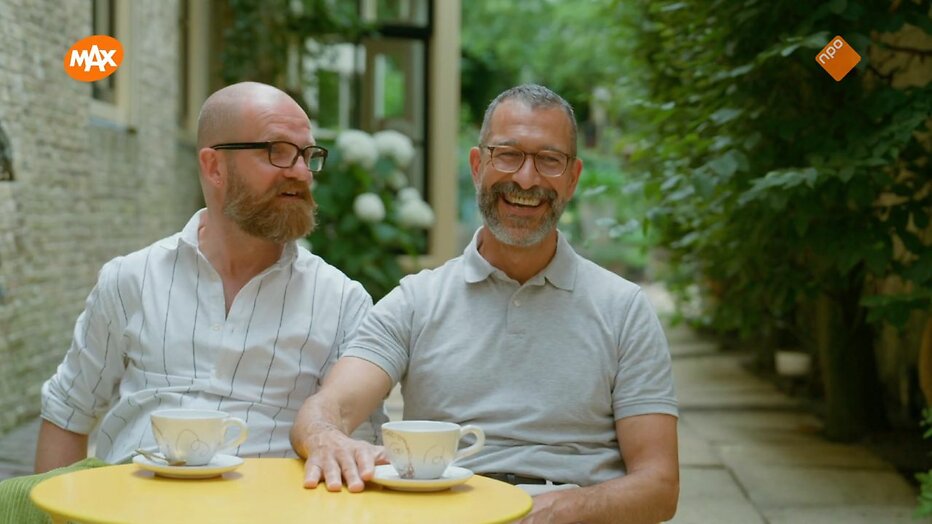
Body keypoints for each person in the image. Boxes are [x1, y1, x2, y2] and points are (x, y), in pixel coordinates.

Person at [290, 84, 679, 523]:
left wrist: (569, 509)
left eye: (549, 160)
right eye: (507, 155)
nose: (526, 179)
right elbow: (327, 410)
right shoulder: (417, 300)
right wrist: (326, 437)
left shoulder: (624, 309)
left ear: (573, 178)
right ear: (478, 166)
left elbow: (659, 487)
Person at [33, 81, 384, 473]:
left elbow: (355, 444)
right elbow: (67, 411)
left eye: (308, 155)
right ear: (214, 166)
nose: (302, 172)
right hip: (132, 507)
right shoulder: (131, 279)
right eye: (278, 152)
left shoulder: (341, 301)